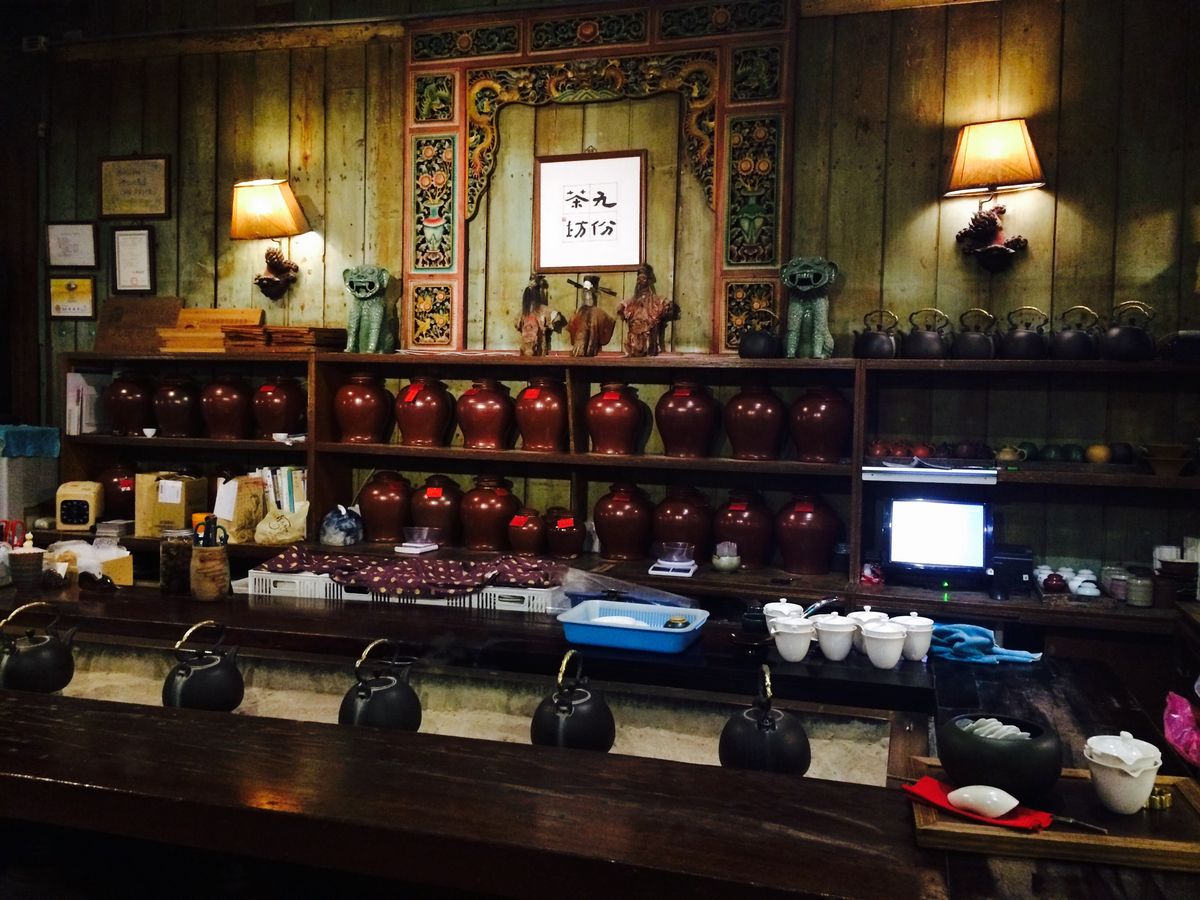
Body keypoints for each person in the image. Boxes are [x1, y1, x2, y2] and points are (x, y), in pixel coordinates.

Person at [616, 264, 676, 357]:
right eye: (639, 279)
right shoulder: (629, 303)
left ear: (648, 280)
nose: (641, 281)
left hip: (649, 346)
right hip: (633, 346)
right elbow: (621, 309)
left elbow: (669, 306)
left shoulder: (656, 301)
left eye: (644, 278)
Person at [514, 274, 564, 356]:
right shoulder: (522, 313)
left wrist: (554, 323)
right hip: (526, 350)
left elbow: (557, 318)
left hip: (538, 350)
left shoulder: (543, 310)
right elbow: (516, 323)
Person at [566, 275, 616, 357]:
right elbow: (572, 330)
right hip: (578, 350)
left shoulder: (598, 313)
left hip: (593, 351)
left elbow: (610, 323)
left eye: (589, 291)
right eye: (585, 291)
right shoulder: (577, 312)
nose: (587, 295)